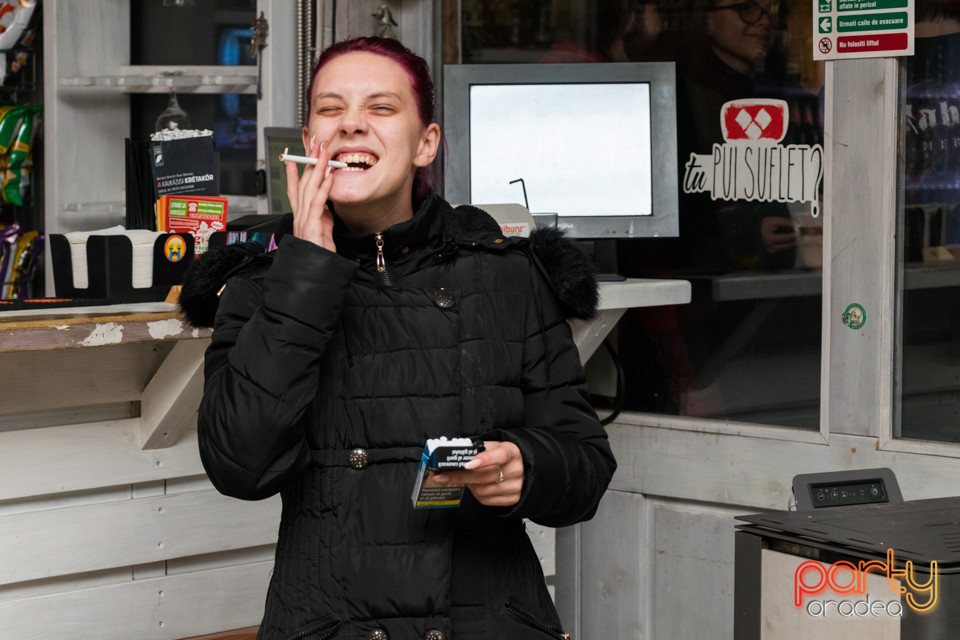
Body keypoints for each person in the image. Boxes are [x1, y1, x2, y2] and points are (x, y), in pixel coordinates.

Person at [178, 36, 617, 640]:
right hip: (328, 623)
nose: (352, 123)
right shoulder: (259, 283)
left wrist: (528, 465)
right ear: (310, 144)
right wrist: (306, 269)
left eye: (381, 108)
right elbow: (240, 467)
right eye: (331, 110)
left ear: (425, 143)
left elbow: (587, 466)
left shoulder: (509, 274)